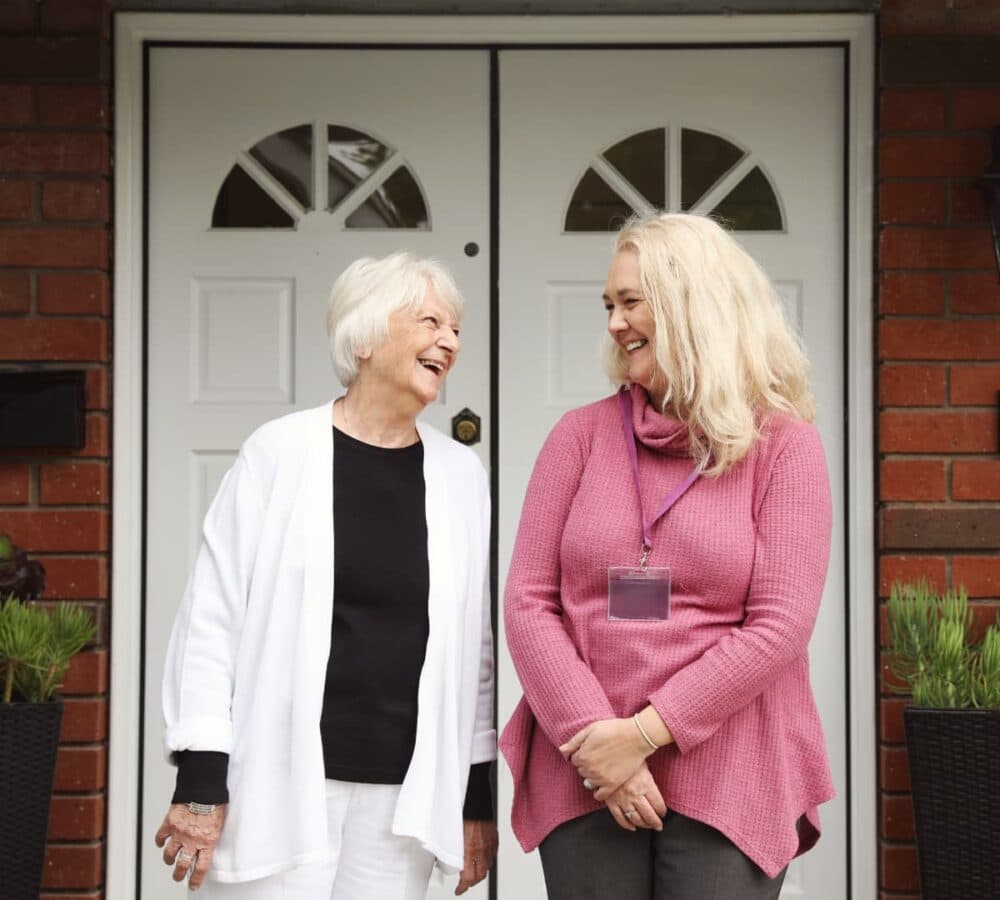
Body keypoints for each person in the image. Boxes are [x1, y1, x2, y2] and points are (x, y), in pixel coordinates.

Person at [499, 213, 834, 900]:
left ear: (693, 306)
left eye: (631, 302)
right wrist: (602, 744)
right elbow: (529, 601)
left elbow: (780, 625)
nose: (615, 324)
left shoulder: (785, 446)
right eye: (610, 306)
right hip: (584, 756)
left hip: (731, 761)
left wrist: (644, 736)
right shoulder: (579, 436)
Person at [155, 252, 497, 898]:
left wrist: (473, 795)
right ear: (365, 336)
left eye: (455, 328)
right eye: (430, 321)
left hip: (406, 801)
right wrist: (201, 777)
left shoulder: (460, 476)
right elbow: (212, 619)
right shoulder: (278, 453)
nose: (449, 341)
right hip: (282, 785)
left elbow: (474, 656)